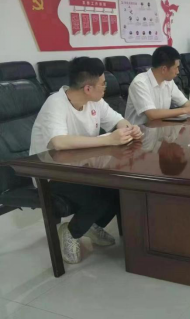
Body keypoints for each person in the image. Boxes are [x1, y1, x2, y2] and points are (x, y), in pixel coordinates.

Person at [30, 57, 143, 264]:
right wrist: (108, 139)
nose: (106, 87)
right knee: (102, 192)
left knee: (122, 186)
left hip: (84, 168)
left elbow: (117, 120)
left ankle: (90, 224)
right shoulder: (55, 104)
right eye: (103, 84)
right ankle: (71, 232)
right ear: (88, 88)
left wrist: (129, 128)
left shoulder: (95, 101)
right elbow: (58, 142)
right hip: (51, 174)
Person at [125, 46, 190, 125]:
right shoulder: (140, 83)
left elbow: (184, 103)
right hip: (140, 131)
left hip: (161, 128)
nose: (178, 72)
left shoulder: (168, 81)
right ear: (164, 69)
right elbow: (152, 114)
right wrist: (186, 110)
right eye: (176, 68)